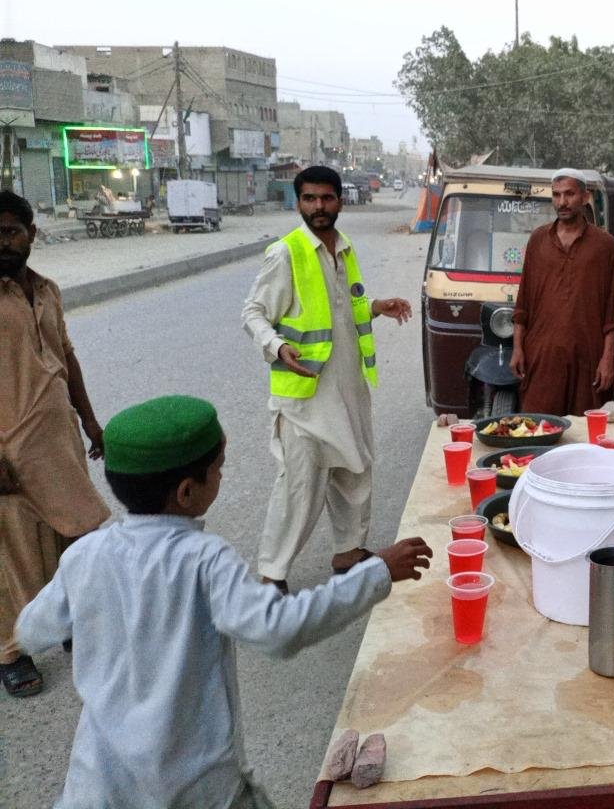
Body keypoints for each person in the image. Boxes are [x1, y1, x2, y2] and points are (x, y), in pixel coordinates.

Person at [16, 395, 433, 809]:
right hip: (193, 787)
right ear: (186, 492)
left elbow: (32, 632)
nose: (221, 477)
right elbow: (279, 630)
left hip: (98, 786)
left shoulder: (85, 556)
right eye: (218, 469)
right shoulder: (204, 560)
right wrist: (375, 573)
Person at [242, 165, 412, 593]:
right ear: (298, 202)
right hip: (305, 395)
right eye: (310, 199)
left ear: (340, 200)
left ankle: (349, 552)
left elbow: (341, 310)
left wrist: (376, 307)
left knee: (355, 472)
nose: (319, 207)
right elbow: (253, 313)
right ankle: (272, 573)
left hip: (347, 388)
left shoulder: (344, 248)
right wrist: (277, 347)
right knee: (300, 486)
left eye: (327, 198)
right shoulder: (287, 253)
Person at [0, 189, 110, 698]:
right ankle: (11, 651)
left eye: (10, 232)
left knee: (78, 539)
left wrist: (90, 422)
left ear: (30, 235)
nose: (2, 243)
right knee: (15, 552)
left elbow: (66, 357)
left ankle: (68, 621)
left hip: (59, 440)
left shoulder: (46, 289)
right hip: (8, 451)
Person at [510, 168, 614, 416]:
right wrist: (518, 347)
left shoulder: (604, 245)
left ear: (584, 196)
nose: (562, 202)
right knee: (539, 430)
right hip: (542, 357)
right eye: (556, 195)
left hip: (588, 357)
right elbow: (523, 302)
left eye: (569, 194)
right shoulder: (538, 240)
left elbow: (612, 311)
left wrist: (607, 358)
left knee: (586, 437)